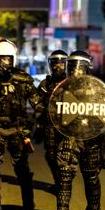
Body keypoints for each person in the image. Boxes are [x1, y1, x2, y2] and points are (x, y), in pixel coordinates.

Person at [0, 39, 42, 210]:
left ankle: (28, 205)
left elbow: (37, 103)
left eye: (6, 59)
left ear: (13, 59)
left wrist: (38, 123)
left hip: (17, 128)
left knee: (22, 168)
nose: (2, 63)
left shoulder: (23, 79)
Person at [55, 50, 104, 210]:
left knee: (91, 176)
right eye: (72, 66)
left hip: (91, 137)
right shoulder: (61, 89)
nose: (76, 71)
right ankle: (63, 209)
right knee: (65, 173)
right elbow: (53, 111)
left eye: (80, 67)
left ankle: (94, 209)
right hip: (69, 135)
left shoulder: (97, 89)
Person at [35, 50, 68, 191]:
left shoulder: (73, 82)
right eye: (55, 63)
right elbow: (38, 105)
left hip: (68, 126)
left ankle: (64, 184)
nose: (57, 67)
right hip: (50, 125)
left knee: (66, 157)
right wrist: (38, 125)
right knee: (50, 156)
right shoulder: (45, 84)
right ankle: (58, 181)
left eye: (61, 63)